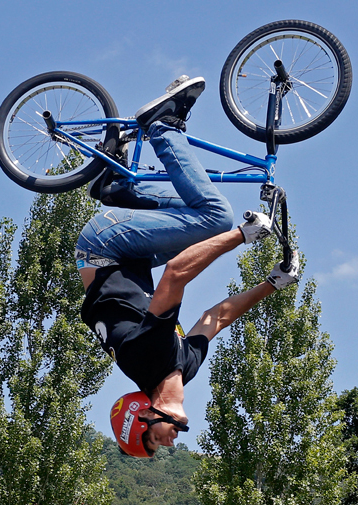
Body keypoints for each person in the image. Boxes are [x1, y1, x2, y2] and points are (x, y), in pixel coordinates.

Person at [78, 76, 299, 458]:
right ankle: (115, 188)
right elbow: (215, 318)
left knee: (215, 219)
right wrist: (272, 284)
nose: (168, 442)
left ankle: (161, 127)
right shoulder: (183, 367)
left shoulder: (145, 359)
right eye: (160, 447)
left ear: (143, 414)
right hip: (131, 258)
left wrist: (242, 237)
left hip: (104, 248)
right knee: (196, 216)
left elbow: (176, 274)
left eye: (153, 440)